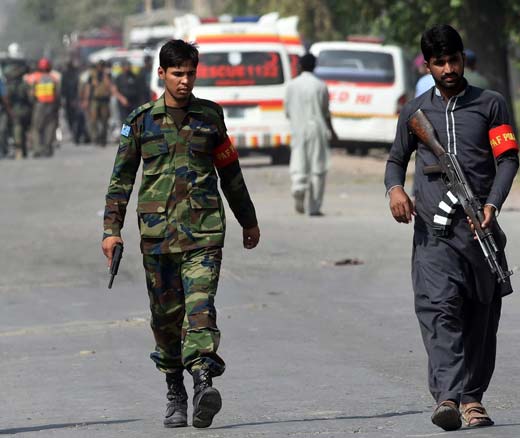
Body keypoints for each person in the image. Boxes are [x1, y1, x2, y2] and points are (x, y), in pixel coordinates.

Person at [101, 39, 260, 429]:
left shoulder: (210, 117)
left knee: (200, 310)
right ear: (162, 74)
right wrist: (111, 230)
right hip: (157, 238)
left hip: (204, 233)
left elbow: (230, 173)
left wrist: (248, 220)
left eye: (190, 73)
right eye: (177, 73)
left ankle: (203, 381)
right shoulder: (141, 121)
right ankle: (175, 388)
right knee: (166, 319)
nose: (185, 80)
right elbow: (121, 179)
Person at [384, 25, 519, 431]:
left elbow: (508, 160)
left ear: (463, 59)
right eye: (439, 63)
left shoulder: (491, 105)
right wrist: (395, 190)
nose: (448, 69)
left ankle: (473, 399)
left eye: (453, 60)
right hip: (433, 234)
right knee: (440, 310)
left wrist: (493, 202)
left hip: (479, 230)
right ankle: (447, 397)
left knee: (480, 316)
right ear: (428, 65)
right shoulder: (414, 111)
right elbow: (396, 160)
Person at [284, 53, 337, 216]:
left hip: (298, 129)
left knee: (299, 160)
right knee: (318, 167)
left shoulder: (291, 86)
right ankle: (314, 207)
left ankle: (298, 188)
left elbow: (287, 112)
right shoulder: (320, 85)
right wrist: (333, 131)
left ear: (299, 66)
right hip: (317, 129)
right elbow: (325, 112)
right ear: (314, 67)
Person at [25, 58, 60, 158]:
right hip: (51, 105)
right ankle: (47, 148)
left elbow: (31, 94)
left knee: (36, 128)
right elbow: (57, 94)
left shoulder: (34, 78)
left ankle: (37, 149)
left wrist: (32, 104)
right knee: (50, 127)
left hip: (39, 105)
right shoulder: (54, 78)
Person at [4, 63, 32, 159]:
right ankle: (22, 149)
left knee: (17, 129)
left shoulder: (10, 86)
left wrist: (9, 110)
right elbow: (30, 98)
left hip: (16, 110)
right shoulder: (25, 85)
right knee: (23, 129)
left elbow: (7, 99)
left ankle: (19, 148)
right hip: (24, 109)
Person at [82, 60, 112, 146]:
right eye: (100, 66)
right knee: (94, 120)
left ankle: (103, 138)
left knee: (104, 120)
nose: (101, 68)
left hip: (105, 100)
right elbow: (88, 88)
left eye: (102, 66)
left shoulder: (107, 75)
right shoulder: (92, 76)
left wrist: (105, 77)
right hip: (95, 100)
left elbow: (109, 86)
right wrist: (86, 100)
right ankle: (96, 137)